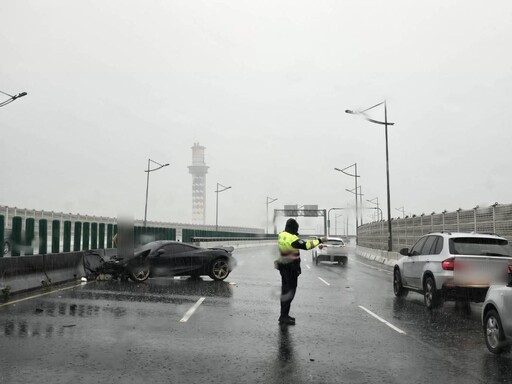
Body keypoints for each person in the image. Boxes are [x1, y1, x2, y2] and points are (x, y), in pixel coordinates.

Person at [275, 218, 326, 325]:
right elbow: (306, 246)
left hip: (283, 266)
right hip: (291, 268)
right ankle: (284, 316)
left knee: (285, 291)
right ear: (294, 228)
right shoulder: (292, 238)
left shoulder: (281, 235)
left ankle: (283, 315)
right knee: (291, 292)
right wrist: (320, 240)